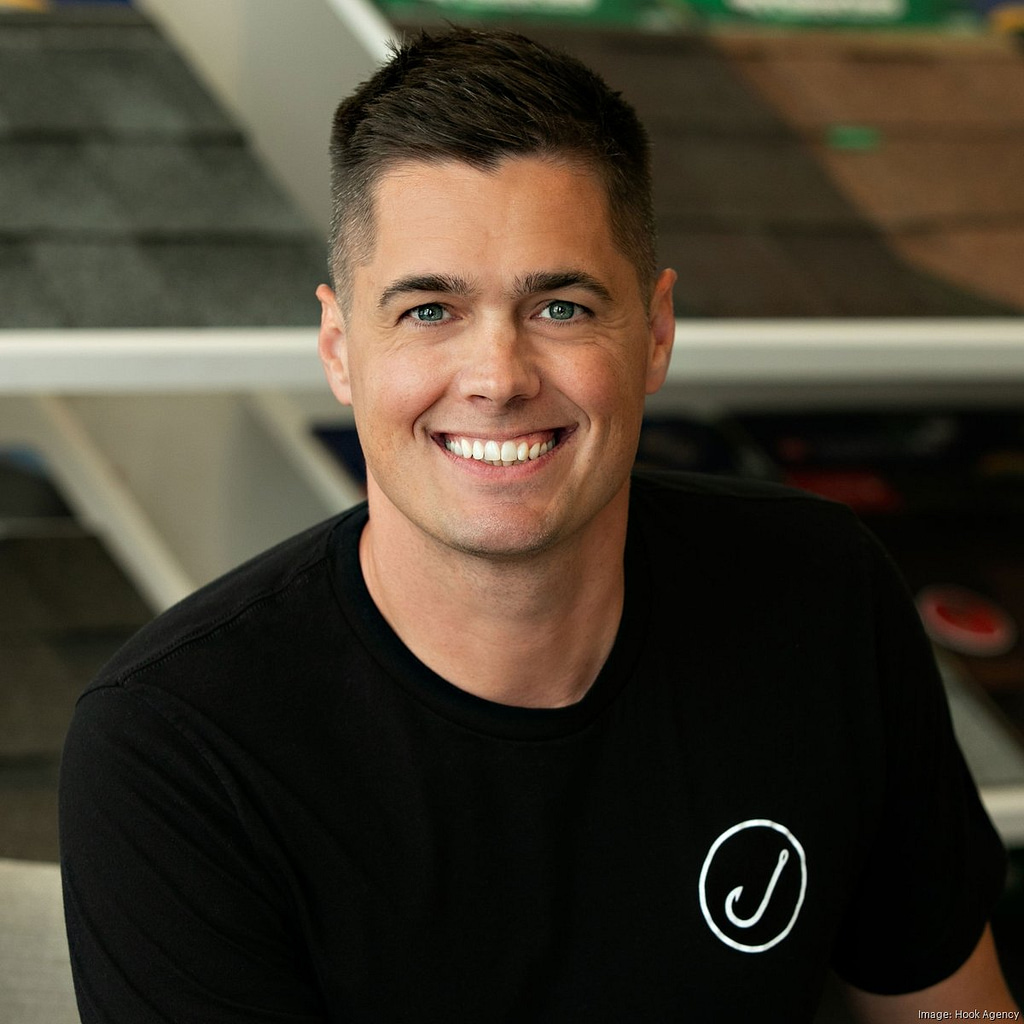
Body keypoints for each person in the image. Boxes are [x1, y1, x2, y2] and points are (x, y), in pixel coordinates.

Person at [59, 28, 1017, 1022]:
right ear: (341, 350)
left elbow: (950, 1009)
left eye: (559, 307)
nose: (499, 377)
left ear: (654, 335)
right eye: (429, 311)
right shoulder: (178, 746)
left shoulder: (821, 593)